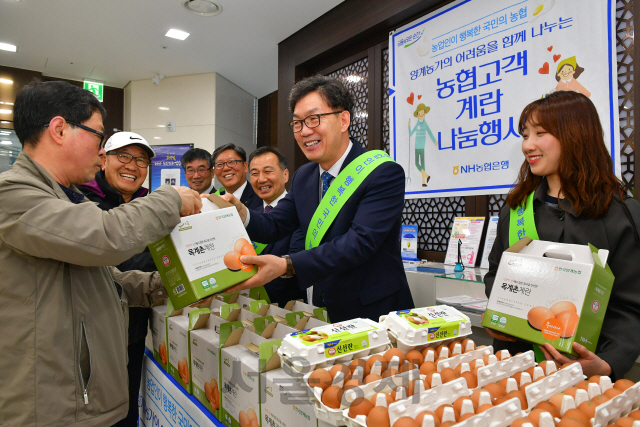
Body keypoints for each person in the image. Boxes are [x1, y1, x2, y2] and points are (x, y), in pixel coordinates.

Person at [0, 80, 202, 427]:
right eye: (97, 136)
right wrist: (171, 199)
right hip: (53, 408)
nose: (100, 152)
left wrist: (184, 283)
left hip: (83, 400)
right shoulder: (15, 195)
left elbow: (110, 283)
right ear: (59, 129)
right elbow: (107, 236)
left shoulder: (65, 198)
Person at [222, 75, 414, 322]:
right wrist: (242, 212)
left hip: (374, 310)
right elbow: (276, 225)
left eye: (314, 119)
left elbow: (360, 242)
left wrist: (287, 264)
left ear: (343, 120)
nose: (304, 131)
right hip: (323, 307)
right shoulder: (305, 175)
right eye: (297, 123)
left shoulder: (382, 172)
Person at [483, 90, 640, 380]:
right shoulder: (516, 208)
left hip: (586, 377)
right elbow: (496, 274)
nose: (527, 145)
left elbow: (631, 305)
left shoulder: (621, 214)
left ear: (575, 135)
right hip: (516, 367)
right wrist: (499, 315)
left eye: (540, 133)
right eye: (525, 134)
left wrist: (607, 363)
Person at [78, 131, 157, 427]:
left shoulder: (150, 206)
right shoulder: (81, 202)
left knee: (125, 409)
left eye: (141, 160)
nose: (132, 166)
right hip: (89, 335)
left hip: (134, 328)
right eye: (124, 156)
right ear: (104, 160)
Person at [248, 146, 306, 306]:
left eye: (268, 171)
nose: (261, 179)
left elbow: (297, 258)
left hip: (289, 307)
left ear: (286, 175)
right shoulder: (251, 215)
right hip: (250, 305)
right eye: (254, 173)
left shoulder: (300, 212)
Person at [212, 143, 262, 210]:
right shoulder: (213, 201)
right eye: (220, 164)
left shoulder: (261, 197)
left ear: (245, 167)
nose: (226, 168)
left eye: (231, 162)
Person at [408, 102, 436, 187]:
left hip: (422, 146)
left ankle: (423, 182)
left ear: (425, 113)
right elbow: (411, 133)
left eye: (422, 113)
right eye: (419, 113)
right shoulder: (417, 124)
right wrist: (409, 126)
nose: (421, 114)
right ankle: (426, 176)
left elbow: (430, 132)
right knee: (417, 163)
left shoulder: (424, 123)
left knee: (422, 164)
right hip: (416, 146)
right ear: (417, 114)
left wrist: (434, 141)